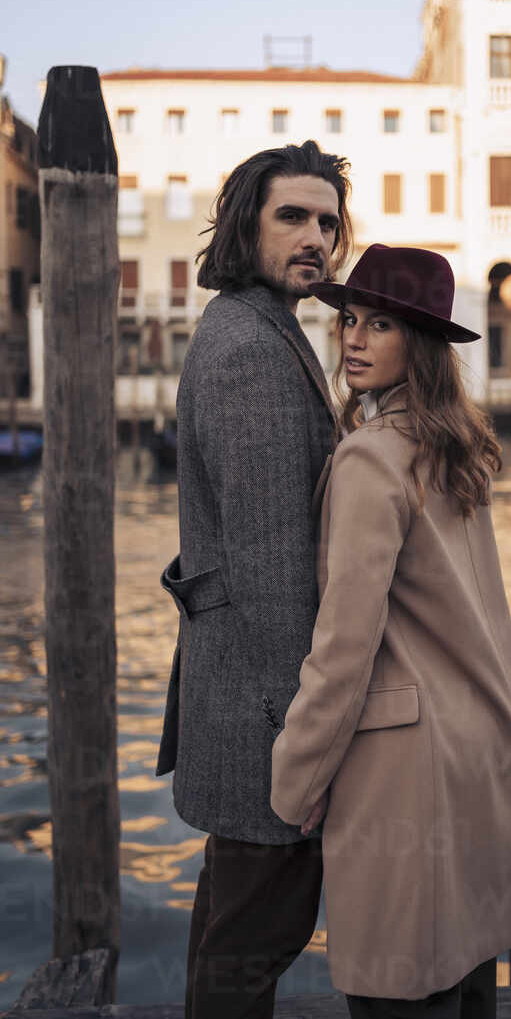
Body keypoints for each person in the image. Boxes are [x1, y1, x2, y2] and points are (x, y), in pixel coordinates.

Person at [270, 243, 511, 1019]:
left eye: (378, 324)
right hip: (482, 742)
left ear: (415, 342)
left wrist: (294, 779)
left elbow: (342, 647)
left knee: (396, 991)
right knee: (466, 977)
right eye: (348, 319)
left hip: (406, 770)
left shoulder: (370, 459)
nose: (352, 338)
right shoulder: (457, 450)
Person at [154, 140, 353, 1019]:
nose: (316, 236)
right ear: (246, 224)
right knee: (250, 944)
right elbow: (270, 568)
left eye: (327, 221)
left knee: (232, 937)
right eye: (293, 217)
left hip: (242, 700)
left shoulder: (260, 325)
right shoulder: (250, 350)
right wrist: (303, 737)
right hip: (262, 716)